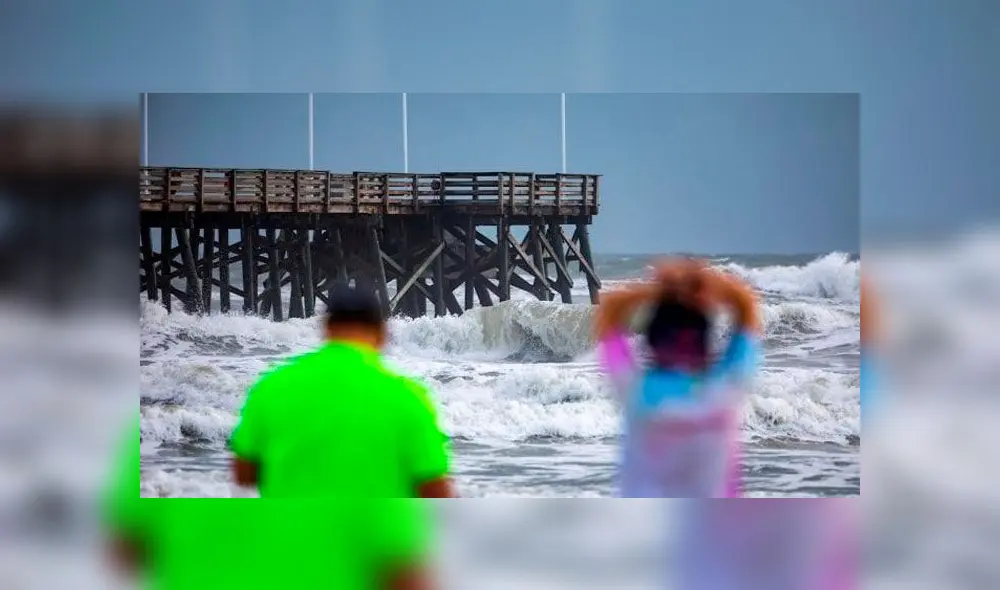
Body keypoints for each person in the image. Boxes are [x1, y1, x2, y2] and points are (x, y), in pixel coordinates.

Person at [229, 281, 456, 499]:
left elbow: (244, 474)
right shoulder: (409, 397)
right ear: (382, 331)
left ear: (326, 328)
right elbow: (435, 491)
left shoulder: (271, 385)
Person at [593, 259, 762, 497]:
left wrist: (663, 289)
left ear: (650, 343)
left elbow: (610, 311)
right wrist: (695, 282)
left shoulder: (638, 393)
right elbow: (746, 307)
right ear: (706, 345)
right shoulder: (724, 391)